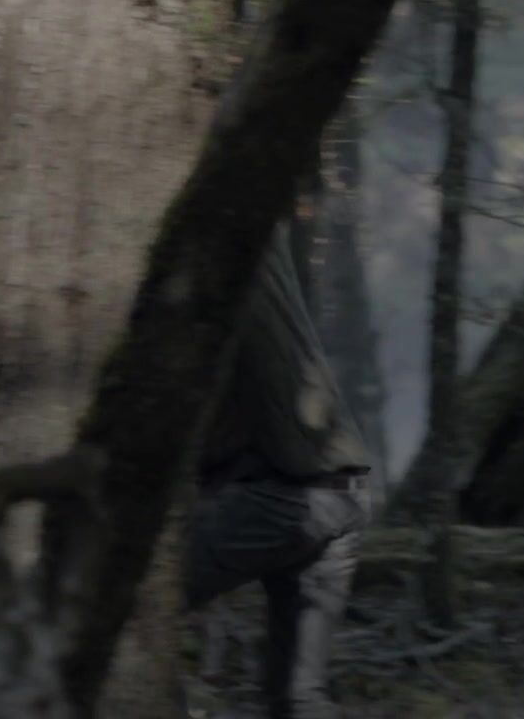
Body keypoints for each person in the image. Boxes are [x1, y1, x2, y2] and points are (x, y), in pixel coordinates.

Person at [184, 240, 371, 719]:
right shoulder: (257, 245)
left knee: (133, 593)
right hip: (345, 493)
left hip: (282, 495)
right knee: (297, 699)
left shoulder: (210, 255)